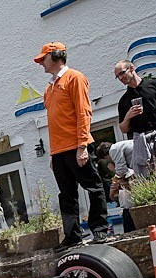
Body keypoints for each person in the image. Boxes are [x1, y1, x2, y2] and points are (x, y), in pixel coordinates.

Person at [34, 41, 109, 250]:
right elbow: (55, 123)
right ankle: (73, 235)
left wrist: (82, 145)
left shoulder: (75, 77)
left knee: (93, 187)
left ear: (57, 56)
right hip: (59, 152)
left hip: (77, 145)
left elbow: (84, 113)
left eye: (44, 58)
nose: (41, 63)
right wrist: (53, 154)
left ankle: (100, 228)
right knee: (66, 195)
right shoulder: (49, 88)